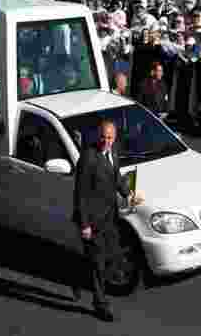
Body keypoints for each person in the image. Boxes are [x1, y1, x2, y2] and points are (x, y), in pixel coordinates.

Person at [72, 119, 143, 322]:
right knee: (98, 262)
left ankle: (77, 278)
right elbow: (81, 194)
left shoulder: (113, 151)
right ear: (98, 135)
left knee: (111, 256)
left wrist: (128, 194)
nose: (106, 141)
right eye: (103, 137)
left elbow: (116, 176)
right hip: (92, 220)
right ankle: (100, 304)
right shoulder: (88, 158)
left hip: (109, 217)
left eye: (110, 138)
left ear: (115, 137)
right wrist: (84, 224)